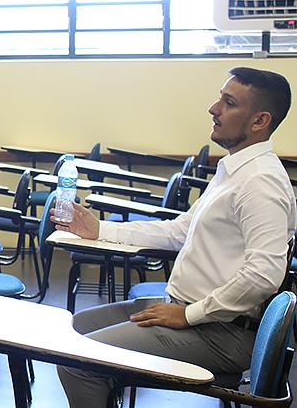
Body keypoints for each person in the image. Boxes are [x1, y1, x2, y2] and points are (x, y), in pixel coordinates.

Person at [52, 67, 297, 408]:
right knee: (74, 328)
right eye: (220, 98)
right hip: (192, 312)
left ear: (260, 121)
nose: (214, 108)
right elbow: (179, 231)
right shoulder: (235, 171)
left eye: (228, 103)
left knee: (77, 361)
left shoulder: (260, 183)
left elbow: (263, 275)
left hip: (219, 332)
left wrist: (188, 315)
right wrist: (101, 230)